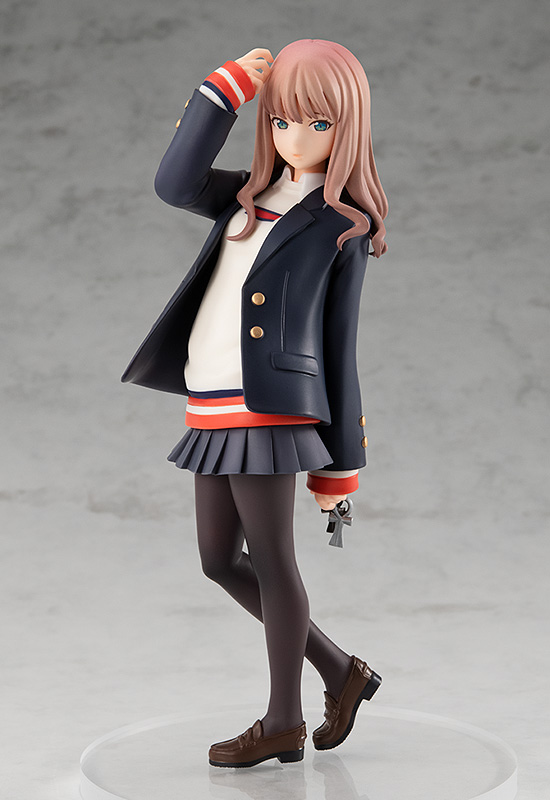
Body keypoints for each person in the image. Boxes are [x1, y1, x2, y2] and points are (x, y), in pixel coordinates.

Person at [122, 39, 388, 768]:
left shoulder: (342, 225)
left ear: (348, 128)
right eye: (281, 120)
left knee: (272, 561)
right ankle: (341, 671)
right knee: (218, 560)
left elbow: (340, 347)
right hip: (211, 402)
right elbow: (173, 184)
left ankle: (283, 721)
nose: (296, 137)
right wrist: (223, 92)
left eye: (318, 124)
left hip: (271, 408)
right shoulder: (244, 194)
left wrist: (341, 464)